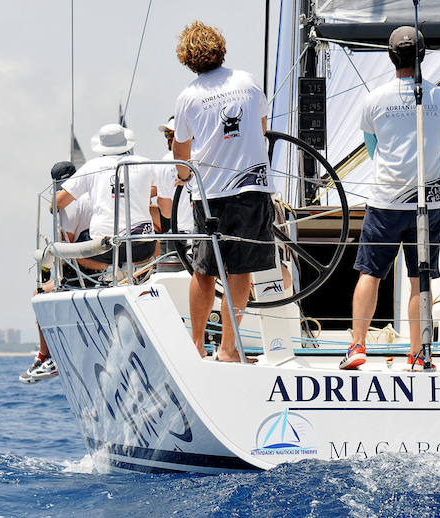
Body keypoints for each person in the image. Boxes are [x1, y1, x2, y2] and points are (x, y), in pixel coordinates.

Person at [340, 26, 440, 371]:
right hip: (430, 203)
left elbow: (373, 150)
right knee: (419, 280)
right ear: (423, 56)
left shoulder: (374, 100)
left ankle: (358, 347)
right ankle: (420, 352)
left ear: (391, 57)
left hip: (386, 202)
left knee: (370, 274)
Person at [172, 21, 276, 362]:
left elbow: (182, 151)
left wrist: (182, 175)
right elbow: (261, 128)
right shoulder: (247, 82)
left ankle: (196, 345)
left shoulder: (188, 96)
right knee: (240, 269)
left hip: (210, 194)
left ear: (187, 60)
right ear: (221, 48)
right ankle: (229, 349)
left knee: (203, 271)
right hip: (252, 186)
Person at [20, 161, 95, 384]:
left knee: (39, 294)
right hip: (107, 265)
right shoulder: (93, 195)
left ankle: (46, 355)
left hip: (83, 270)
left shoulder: (68, 204)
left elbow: (67, 243)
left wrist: (47, 266)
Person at [54, 123, 157, 270]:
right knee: (155, 237)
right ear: (126, 143)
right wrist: (136, 192)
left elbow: (58, 202)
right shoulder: (147, 163)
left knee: (77, 247)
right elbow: (164, 189)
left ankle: (111, 271)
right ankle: (137, 269)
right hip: (143, 248)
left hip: (105, 248)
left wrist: (53, 206)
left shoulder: (92, 166)